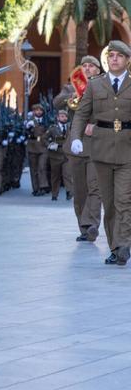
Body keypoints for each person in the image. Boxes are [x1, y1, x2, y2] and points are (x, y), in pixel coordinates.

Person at [70, 40, 131, 265]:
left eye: (119, 56)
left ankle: (123, 245)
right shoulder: (95, 85)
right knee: (110, 202)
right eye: (111, 55)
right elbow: (81, 114)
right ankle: (115, 246)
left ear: (127, 60)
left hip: (127, 150)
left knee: (124, 200)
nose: (114, 59)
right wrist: (76, 137)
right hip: (101, 150)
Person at [55, 56, 104, 243]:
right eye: (84, 66)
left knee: (94, 187)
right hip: (75, 145)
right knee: (80, 189)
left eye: (91, 66)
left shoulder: (103, 87)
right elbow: (56, 102)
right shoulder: (71, 88)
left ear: (98, 70)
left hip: (96, 144)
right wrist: (73, 96)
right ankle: (84, 228)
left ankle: (92, 224)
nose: (87, 68)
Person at [26, 103, 50, 195]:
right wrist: (27, 127)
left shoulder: (46, 120)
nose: (39, 112)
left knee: (42, 167)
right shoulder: (29, 121)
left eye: (40, 110)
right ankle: (35, 188)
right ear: (33, 111)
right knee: (33, 168)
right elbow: (24, 132)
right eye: (36, 110)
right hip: (32, 146)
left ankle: (43, 187)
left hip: (43, 146)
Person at [47, 108, 70, 201]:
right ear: (58, 118)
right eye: (62, 116)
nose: (64, 118)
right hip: (55, 154)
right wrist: (50, 145)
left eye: (65, 116)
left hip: (66, 154)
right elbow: (44, 138)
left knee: (67, 174)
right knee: (55, 175)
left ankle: (69, 192)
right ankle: (54, 194)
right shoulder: (52, 128)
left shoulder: (70, 127)